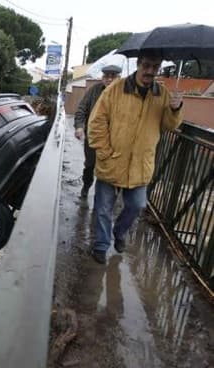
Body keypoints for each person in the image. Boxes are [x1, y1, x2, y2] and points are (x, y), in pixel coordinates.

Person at [87, 49, 183, 264]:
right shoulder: (115, 89)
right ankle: (101, 245)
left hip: (140, 164)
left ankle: (119, 233)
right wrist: (104, 151)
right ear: (138, 65)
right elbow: (97, 122)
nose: (150, 71)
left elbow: (169, 125)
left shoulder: (163, 94)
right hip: (112, 159)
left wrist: (175, 109)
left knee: (138, 205)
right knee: (103, 208)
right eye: (146, 65)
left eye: (155, 67)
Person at [74, 64, 122, 199]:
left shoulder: (124, 94)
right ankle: (86, 186)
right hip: (93, 137)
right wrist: (79, 126)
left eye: (113, 76)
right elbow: (82, 109)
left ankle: (102, 199)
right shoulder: (94, 90)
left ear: (118, 78)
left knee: (109, 168)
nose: (109, 79)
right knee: (90, 165)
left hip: (114, 140)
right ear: (102, 77)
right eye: (107, 76)